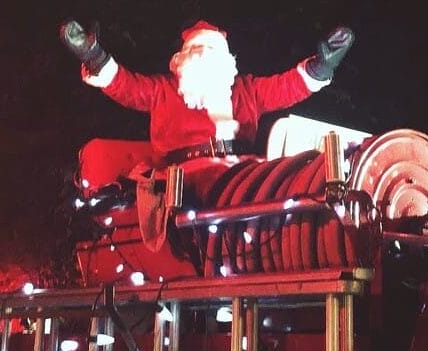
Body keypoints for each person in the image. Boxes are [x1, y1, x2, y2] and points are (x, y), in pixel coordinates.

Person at [60, 19, 353, 249]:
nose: (205, 60)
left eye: (212, 53)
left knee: (281, 186)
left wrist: (321, 65)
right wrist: (95, 56)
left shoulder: (245, 92)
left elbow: (287, 87)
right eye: (197, 53)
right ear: (182, 60)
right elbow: (125, 85)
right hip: (186, 178)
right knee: (228, 200)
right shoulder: (163, 91)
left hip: (245, 172)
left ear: (227, 62)